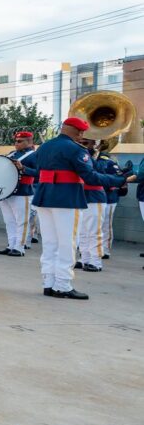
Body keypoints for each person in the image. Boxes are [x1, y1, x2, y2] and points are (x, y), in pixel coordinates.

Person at [32, 117, 132, 299]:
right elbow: (92, 177)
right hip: (67, 199)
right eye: (81, 132)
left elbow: (39, 171)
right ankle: (63, 285)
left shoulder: (44, 147)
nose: (82, 136)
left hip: (44, 198)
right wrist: (119, 180)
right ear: (77, 131)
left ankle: (48, 283)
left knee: (50, 244)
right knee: (67, 243)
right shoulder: (76, 149)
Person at [0, 131, 38, 256]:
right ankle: (11, 245)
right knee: (9, 221)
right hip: (7, 192)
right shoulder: (12, 154)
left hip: (23, 191)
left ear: (29, 141)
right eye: (15, 141)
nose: (16, 143)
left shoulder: (35, 155)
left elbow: (39, 173)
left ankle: (19, 248)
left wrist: (23, 168)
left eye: (20, 141)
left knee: (22, 221)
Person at [74, 137, 106, 273]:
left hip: (95, 197)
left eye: (86, 143)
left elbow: (99, 173)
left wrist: (91, 156)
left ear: (94, 144)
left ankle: (96, 261)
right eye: (80, 143)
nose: (82, 146)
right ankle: (85, 259)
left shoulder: (102, 159)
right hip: (81, 196)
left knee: (94, 231)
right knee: (82, 231)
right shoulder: (77, 156)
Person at [96, 145, 119, 259]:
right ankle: (96, 248)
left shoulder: (108, 162)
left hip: (109, 197)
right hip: (95, 197)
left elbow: (116, 177)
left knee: (106, 225)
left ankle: (105, 250)